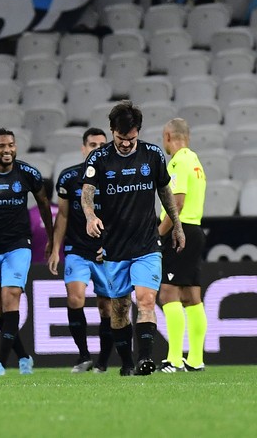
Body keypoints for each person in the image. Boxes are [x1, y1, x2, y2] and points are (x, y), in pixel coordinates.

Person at [83, 100, 186, 377]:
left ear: (138, 131)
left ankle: (145, 360)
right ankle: (127, 363)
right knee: (119, 308)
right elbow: (87, 193)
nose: (127, 144)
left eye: (131, 138)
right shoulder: (99, 158)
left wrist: (176, 225)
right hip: (115, 246)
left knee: (146, 300)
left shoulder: (152, 155)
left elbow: (165, 192)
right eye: (121, 138)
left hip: (146, 243)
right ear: (112, 131)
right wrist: (90, 217)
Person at [0, 128, 54, 377]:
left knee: (10, 297)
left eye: (11, 145)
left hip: (18, 246)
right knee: (0, 308)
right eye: (2, 146)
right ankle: (24, 356)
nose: (7, 150)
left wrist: (51, 238)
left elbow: (44, 204)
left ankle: (0, 363)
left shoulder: (27, 173)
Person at [48, 127, 115, 373]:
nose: (97, 149)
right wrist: (55, 249)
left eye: (102, 146)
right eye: (93, 145)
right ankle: (84, 355)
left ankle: (103, 361)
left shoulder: (115, 176)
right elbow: (63, 216)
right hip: (76, 249)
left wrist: (111, 245)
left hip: (107, 252)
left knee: (106, 307)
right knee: (75, 297)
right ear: (83, 148)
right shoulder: (69, 177)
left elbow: (121, 216)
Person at [158, 118, 208, 373]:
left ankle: (174, 359)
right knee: (191, 297)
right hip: (195, 230)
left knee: (168, 293)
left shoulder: (177, 162)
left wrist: (159, 234)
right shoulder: (196, 161)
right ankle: (196, 360)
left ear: (168, 136)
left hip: (180, 231)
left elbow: (176, 203)